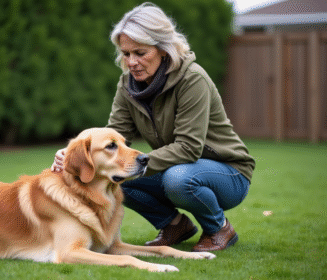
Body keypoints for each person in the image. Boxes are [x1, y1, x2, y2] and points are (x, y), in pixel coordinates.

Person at [51, 2, 255, 252]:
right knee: (109, 174)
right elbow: (113, 136)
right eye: (126, 54)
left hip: (229, 173)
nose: (131, 62)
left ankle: (219, 227)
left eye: (140, 53)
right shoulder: (127, 84)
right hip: (177, 168)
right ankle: (174, 225)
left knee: (177, 180)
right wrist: (72, 155)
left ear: (163, 49)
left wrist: (136, 162)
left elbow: (189, 148)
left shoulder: (193, 79)